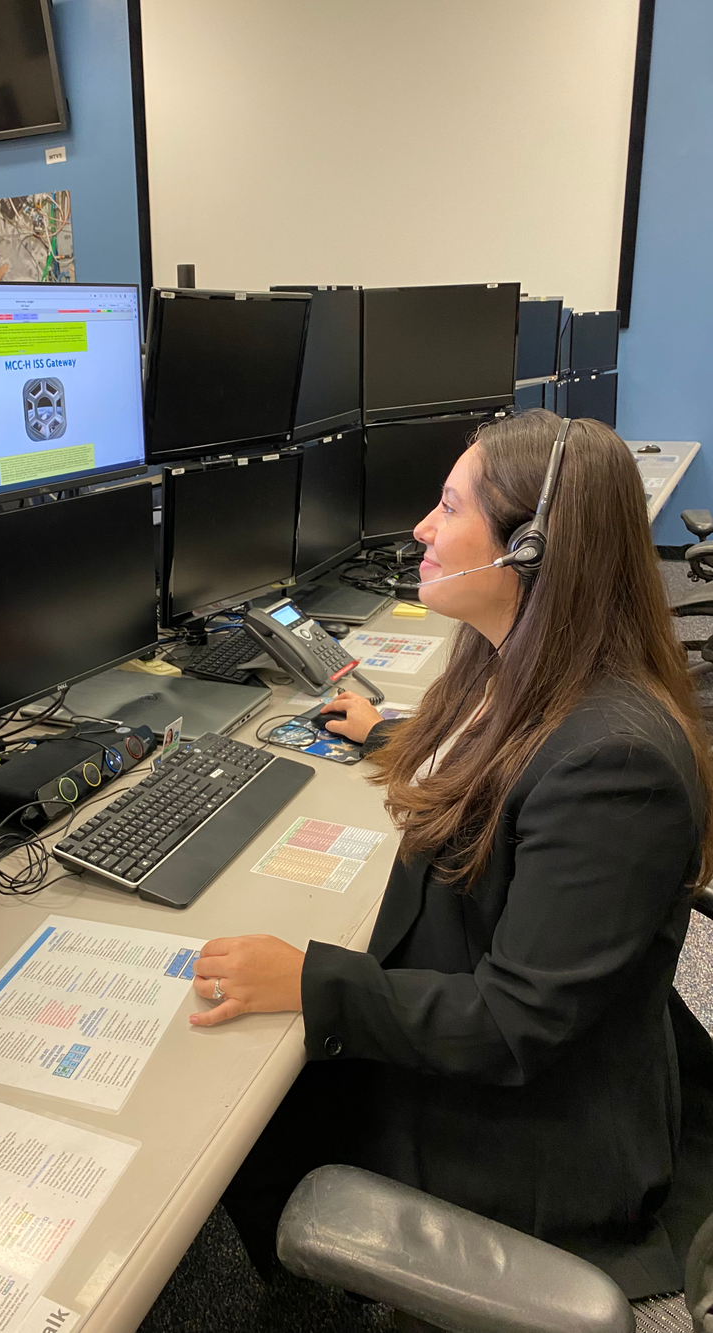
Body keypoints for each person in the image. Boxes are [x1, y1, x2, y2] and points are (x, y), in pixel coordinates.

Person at [191, 410, 713, 1299]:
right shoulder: (527, 665)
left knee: (240, 1109)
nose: (422, 530)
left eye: (448, 505)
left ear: (529, 550)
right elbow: (509, 760)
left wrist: (309, 981)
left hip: (528, 1129)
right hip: (512, 1039)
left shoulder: (616, 764)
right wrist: (391, 729)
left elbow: (515, 1021)